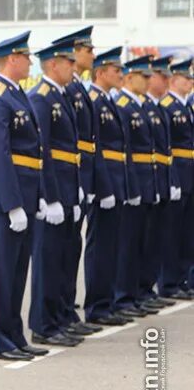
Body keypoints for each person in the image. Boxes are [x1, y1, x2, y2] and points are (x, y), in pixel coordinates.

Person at [0, 31, 47, 361]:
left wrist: (39, 195)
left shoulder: (18, 95)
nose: (31, 62)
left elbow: (34, 153)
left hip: (26, 196)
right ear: (12, 59)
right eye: (27, 56)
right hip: (5, 201)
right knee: (0, 273)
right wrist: (13, 204)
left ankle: (14, 336)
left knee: (17, 273)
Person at [27, 39, 84, 347]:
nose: (74, 67)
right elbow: (43, 152)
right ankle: (43, 324)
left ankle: (60, 317)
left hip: (67, 188)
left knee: (62, 258)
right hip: (54, 191)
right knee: (48, 259)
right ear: (52, 64)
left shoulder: (59, 96)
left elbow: (70, 153)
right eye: (69, 62)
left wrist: (74, 193)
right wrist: (49, 197)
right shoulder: (42, 98)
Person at [49, 28, 101, 337]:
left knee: (70, 250)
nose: (91, 56)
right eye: (87, 51)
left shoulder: (77, 88)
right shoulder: (60, 92)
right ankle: (55, 317)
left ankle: (66, 313)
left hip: (77, 178)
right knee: (58, 254)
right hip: (65, 179)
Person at [83, 48, 131, 326]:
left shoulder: (105, 100)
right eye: (115, 70)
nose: (120, 74)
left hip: (116, 180)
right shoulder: (94, 100)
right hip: (104, 184)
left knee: (111, 245)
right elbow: (96, 148)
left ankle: (107, 301)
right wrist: (103, 188)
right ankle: (97, 305)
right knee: (100, 245)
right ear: (100, 72)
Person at [112, 57, 161, 320]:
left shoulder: (138, 106)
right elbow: (126, 151)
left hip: (146, 179)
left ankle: (138, 292)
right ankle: (123, 295)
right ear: (130, 78)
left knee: (142, 241)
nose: (149, 80)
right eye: (144, 76)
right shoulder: (122, 105)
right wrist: (129, 185)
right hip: (133, 180)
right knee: (128, 243)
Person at [140, 56, 179, 309]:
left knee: (156, 238)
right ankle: (127, 294)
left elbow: (166, 150)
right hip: (138, 182)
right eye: (158, 76)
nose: (164, 80)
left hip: (158, 178)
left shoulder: (155, 108)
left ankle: (145, 290)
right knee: (134, 243)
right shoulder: (135, 106)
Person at [159, 58, 194, 299]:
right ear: (173, 80)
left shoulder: (186, 106)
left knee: (186, 231)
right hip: (177, 172)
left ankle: (183, 279)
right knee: (171, 232)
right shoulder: (168, 106)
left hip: (189, 172)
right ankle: (168, 282)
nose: (190, 82)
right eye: (186, 78)